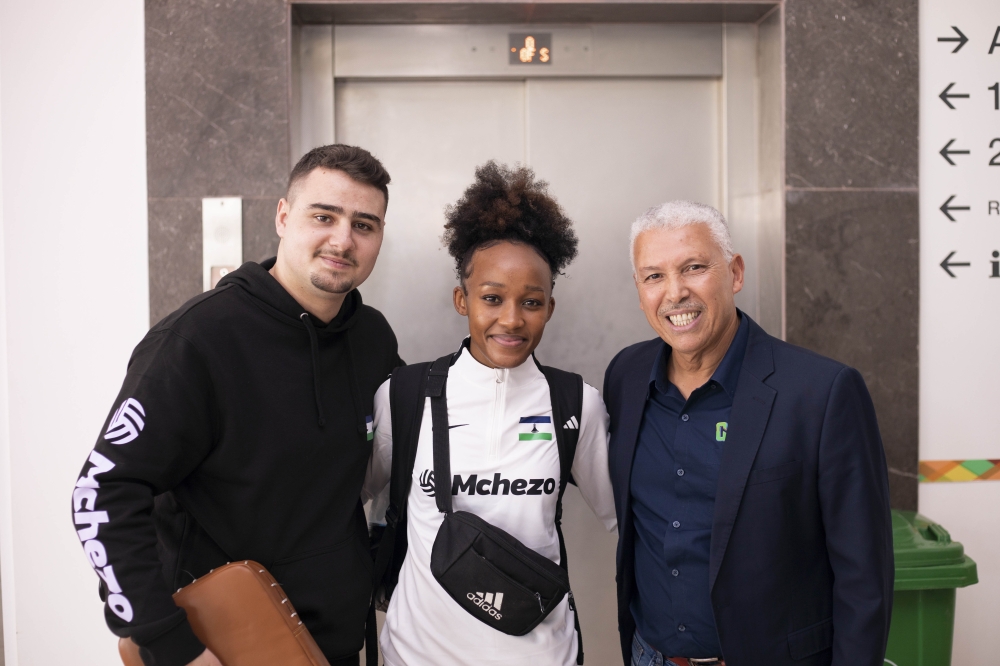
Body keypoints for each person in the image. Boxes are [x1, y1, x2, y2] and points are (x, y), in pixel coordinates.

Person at [71, 144, 402, 666]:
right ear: (283, 216)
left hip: (334, 645)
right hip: (224, 648)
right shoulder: (198, 340)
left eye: (365, 224)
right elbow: (102, 492)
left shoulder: (373, 340)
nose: (343, 239)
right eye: (324, 216)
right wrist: (171, 644)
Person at [603, 201, 893, 666]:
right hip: (650, 656)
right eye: (654, 276)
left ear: (735, 273)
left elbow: (865, 576)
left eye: (694, 268)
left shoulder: (821, 392)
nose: (675, 292)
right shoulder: (626, 376)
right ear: (640, 292)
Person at [364, 162, 617, 666]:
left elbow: (626, 519)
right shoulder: (406, 394)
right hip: (418, 656)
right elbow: (345, 505)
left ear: (549, 308)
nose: (512, 319)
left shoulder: (573, 404)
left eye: (532, 302)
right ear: (463, 300)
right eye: (492, 298)